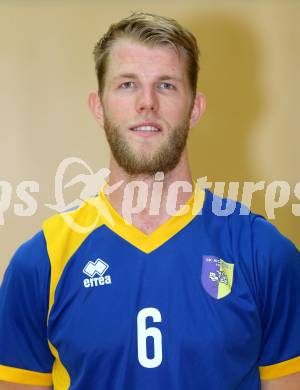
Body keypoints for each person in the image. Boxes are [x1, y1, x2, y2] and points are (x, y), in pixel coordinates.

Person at [0, 11, 300, 390]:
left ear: (195, 109)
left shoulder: (264, 254)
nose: (147, 103)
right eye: (127, 84)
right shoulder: (41, 263)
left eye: (166, 85)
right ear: (98, 107)